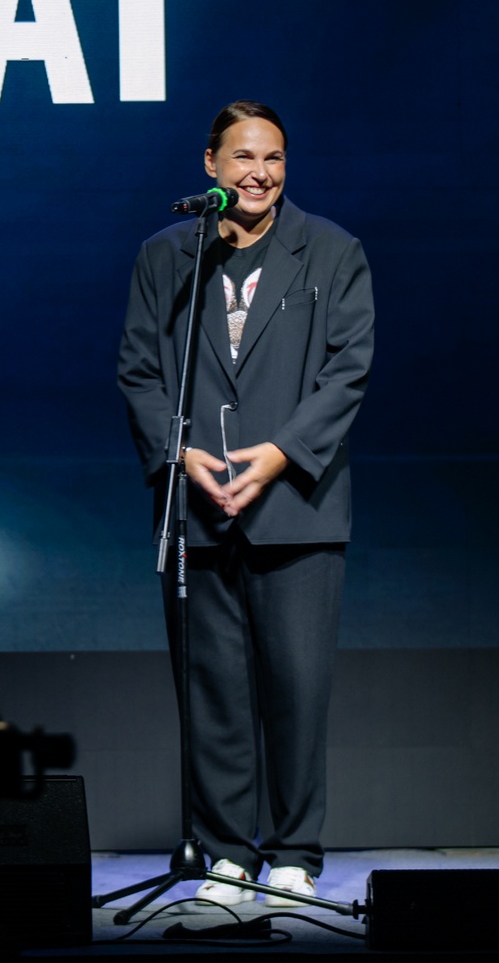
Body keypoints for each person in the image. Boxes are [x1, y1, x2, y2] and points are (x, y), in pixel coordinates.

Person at [116, 100, 373, 907]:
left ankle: (293, 849)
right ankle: (225, 850)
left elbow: (347, 369)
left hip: (295, 504)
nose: (259, 173)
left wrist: (280, 453)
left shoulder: (330, 250)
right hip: (196, 505)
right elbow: (137, 370)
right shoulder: (166, 255)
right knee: (213, 690)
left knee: (295, 688)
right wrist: (175, 452)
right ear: (210, 164)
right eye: (242, 157)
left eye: (273, 158)